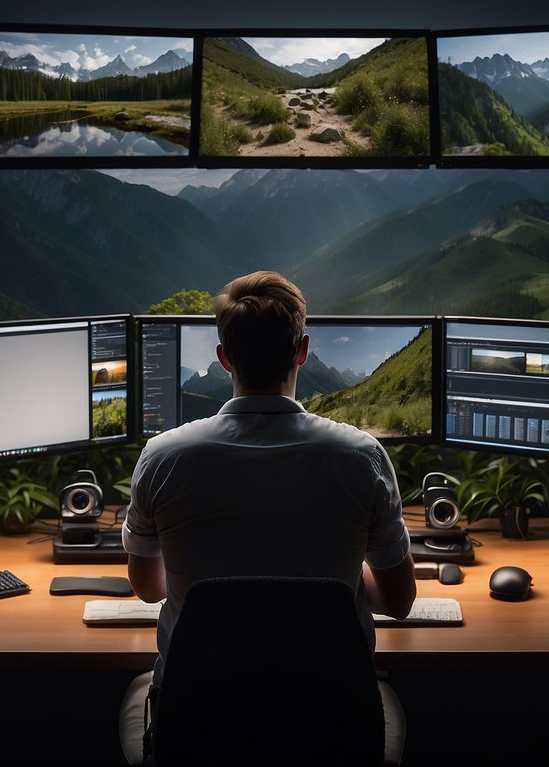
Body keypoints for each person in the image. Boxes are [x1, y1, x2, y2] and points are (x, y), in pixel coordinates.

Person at [118, 270, 416, 763]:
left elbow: (149, 589)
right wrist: (347, 568)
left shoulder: (163, 458)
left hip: (199, 735)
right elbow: (400, 601)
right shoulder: (361, 457)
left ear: (223, 358)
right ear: (301, 350)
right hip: (333, 735)